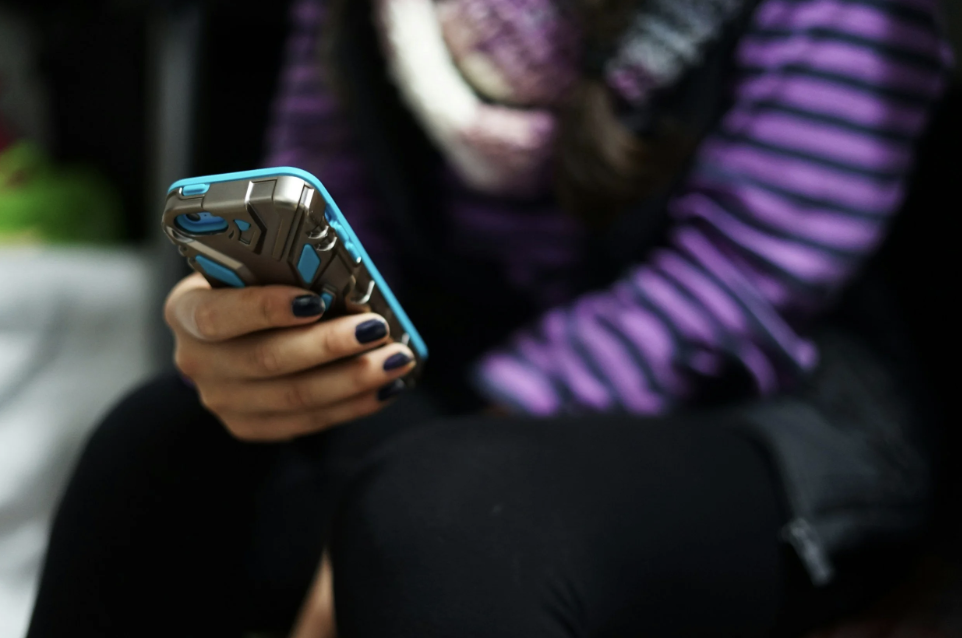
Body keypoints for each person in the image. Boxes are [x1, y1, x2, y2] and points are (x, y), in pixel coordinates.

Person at [27, 0, 954, 636]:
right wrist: (257, 329)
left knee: (449, 520)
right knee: (162, 441)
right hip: (455, 374)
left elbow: (742, 278)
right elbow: (334, 210)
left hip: (766, 412)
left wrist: (443, 440)